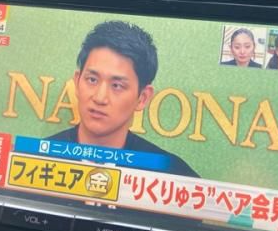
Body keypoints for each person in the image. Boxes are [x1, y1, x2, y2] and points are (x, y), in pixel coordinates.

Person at [47, 20, 198, 177]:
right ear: (77, 82)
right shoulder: (36, 159)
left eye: (117, 86)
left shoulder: (172, 175)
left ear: (143, 98)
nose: (100, 98)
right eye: (92, 80)